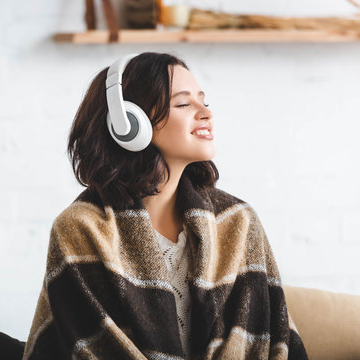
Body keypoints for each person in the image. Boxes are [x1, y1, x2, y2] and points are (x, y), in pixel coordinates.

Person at [22, 52, 308, 359]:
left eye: (204, 101)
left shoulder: (238, 222)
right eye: (184, 104)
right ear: (128, 123)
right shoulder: (80, 228)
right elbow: (86, 347)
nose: (206, 114)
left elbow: (270, 339)